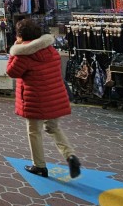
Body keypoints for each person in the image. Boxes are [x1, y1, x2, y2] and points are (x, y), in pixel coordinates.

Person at [6, 19, 81, 178]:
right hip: (54, 97)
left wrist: (15, 50)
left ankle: (39, 165)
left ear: (20, 36)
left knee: (34, 131)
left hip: (35, 99)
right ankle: (70, 155)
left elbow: (11, 72)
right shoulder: (50, 49)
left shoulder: (24, 55)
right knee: (53, 128)